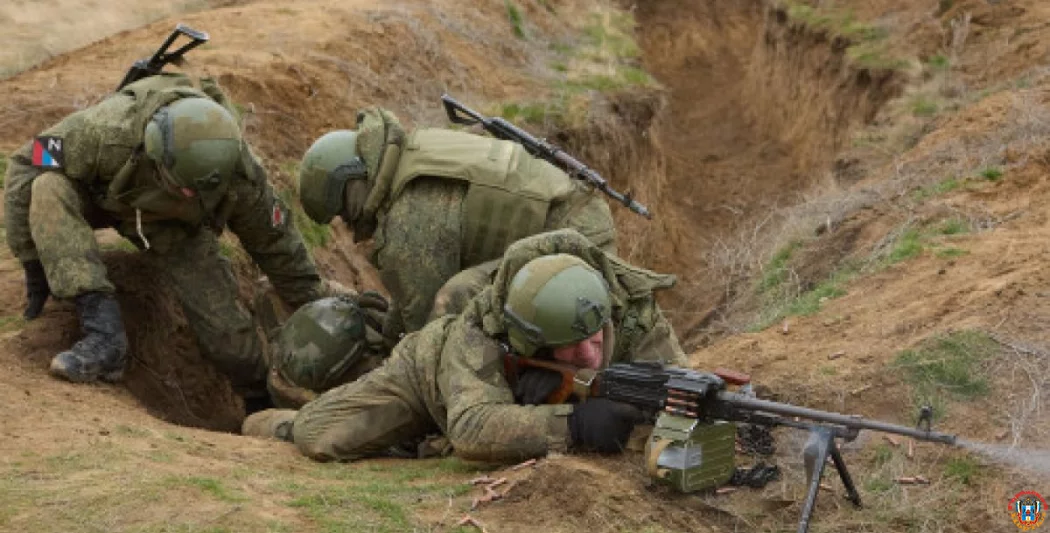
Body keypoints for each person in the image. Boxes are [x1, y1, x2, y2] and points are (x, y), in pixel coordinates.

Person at [3, 73, 326, 400]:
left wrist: (314, 304)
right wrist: (32, 259)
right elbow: (25, 162)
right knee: (47, 185)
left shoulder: (239, 174)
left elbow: (276, 242)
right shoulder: (101, 134)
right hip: (104, 197)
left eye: (195, 191)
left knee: (228, 339)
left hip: (176, 230)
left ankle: (260, 397)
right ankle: (104, 337)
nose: (187, 193)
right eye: (182, 187)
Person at [243, 228, 686, 463]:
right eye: (571, 348)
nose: (590, 355)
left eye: (595, 339)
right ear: (527, 339)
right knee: (318, 437)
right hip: (427, 381)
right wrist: (575, 425)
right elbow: (473, 428)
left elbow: (679, 382)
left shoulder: (633, 309)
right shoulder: (482, 327)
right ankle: (270, 421)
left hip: (487, 398)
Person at [296, 107, 618, 343]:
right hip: (576, 212)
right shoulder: (413, 150)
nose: (348, 224)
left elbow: (424, 325)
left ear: (352, 183)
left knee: (454, 299)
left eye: (342, 211)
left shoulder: (409, 219)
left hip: (575, 242)